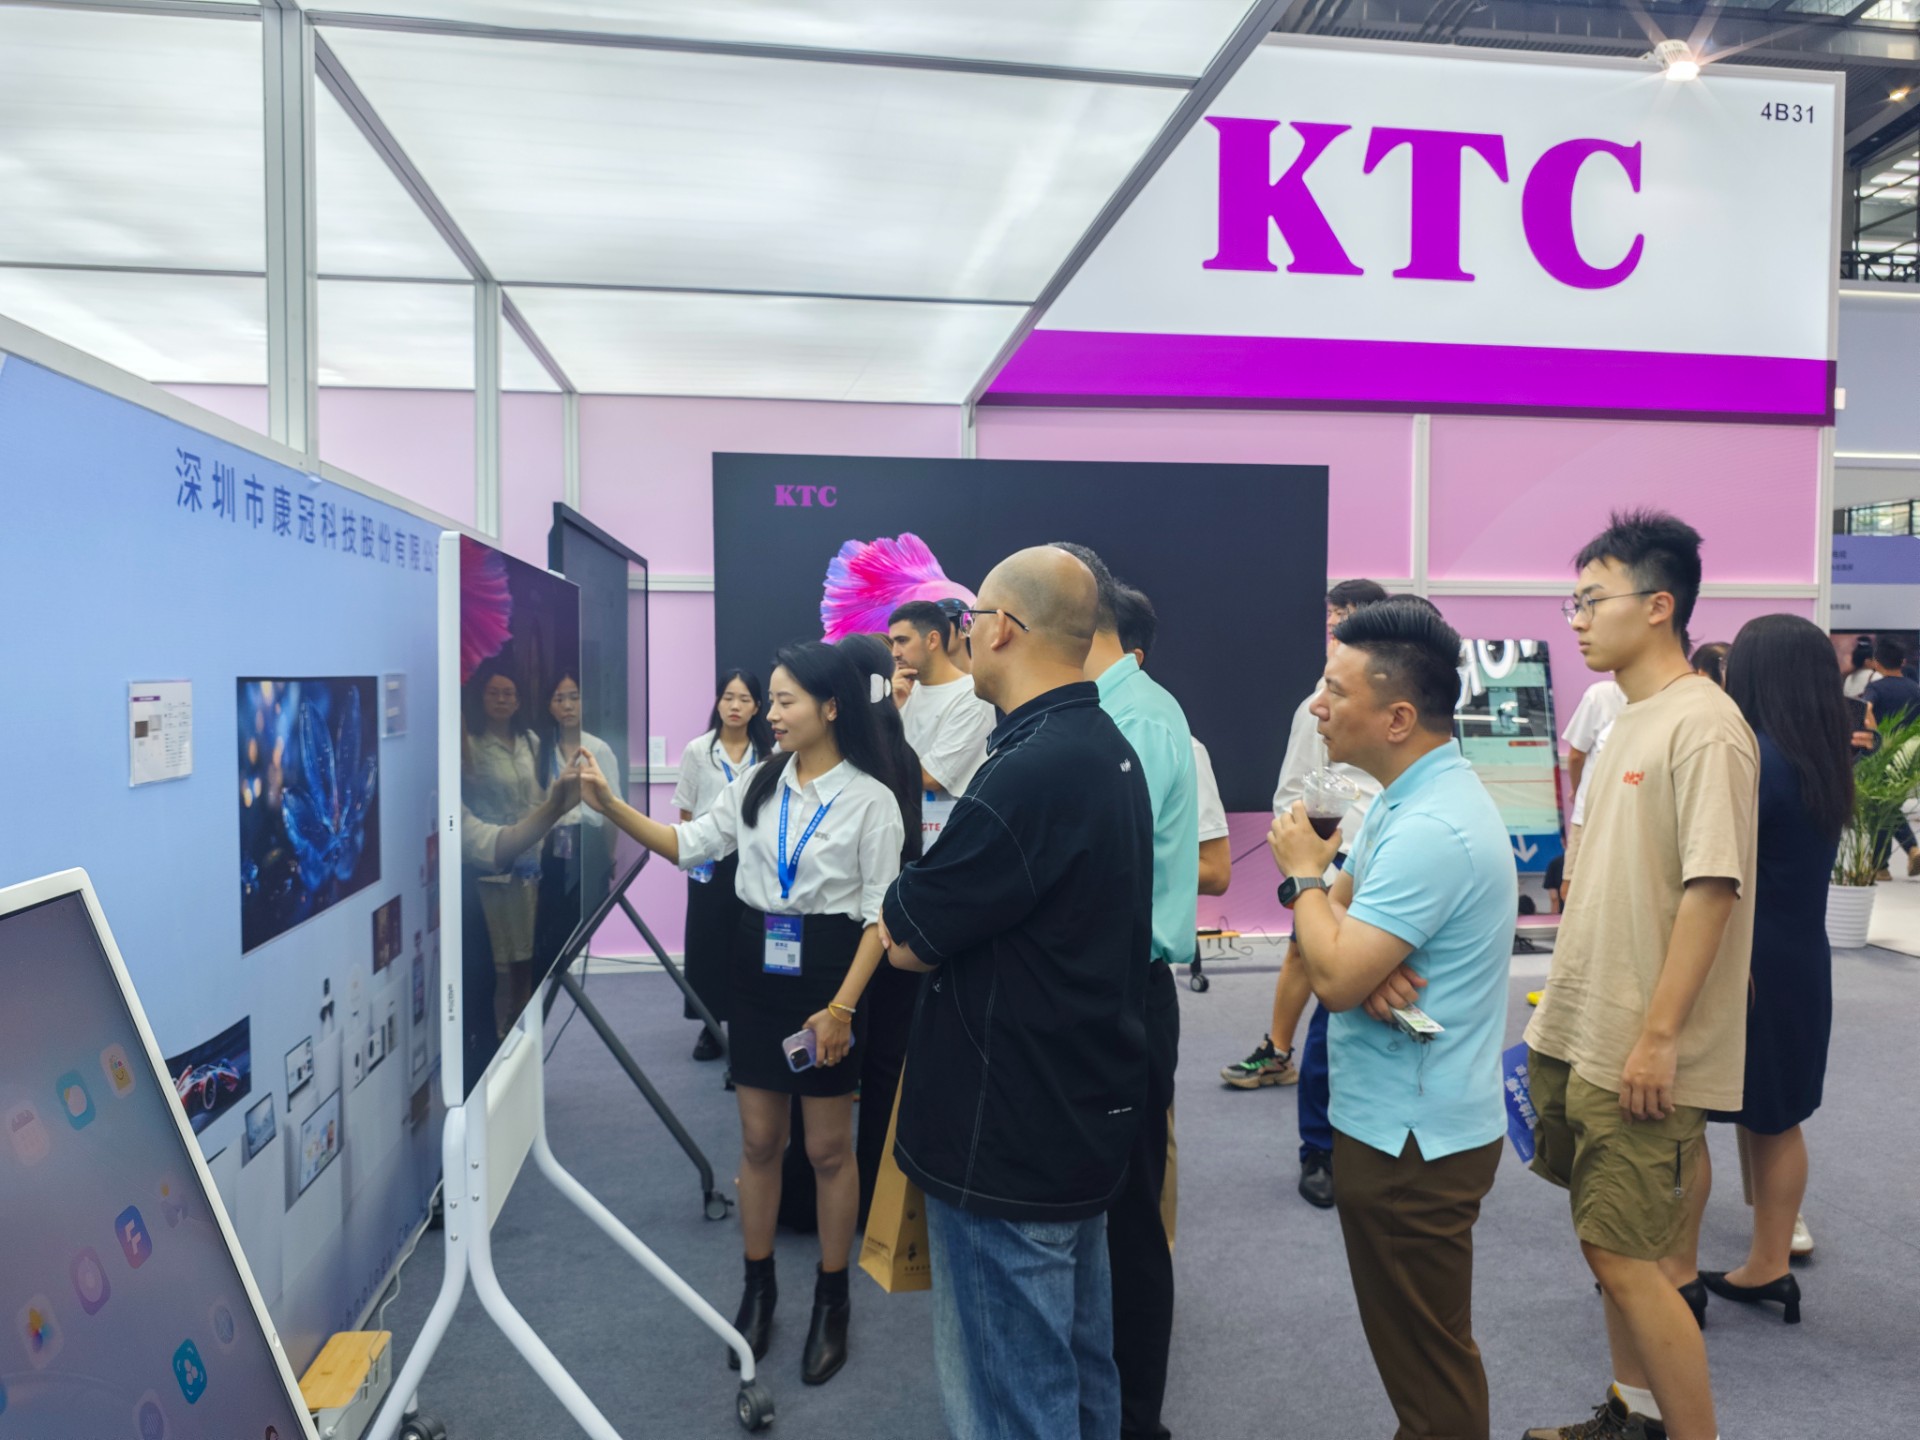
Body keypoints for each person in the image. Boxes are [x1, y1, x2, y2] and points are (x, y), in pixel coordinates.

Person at [575, 642, 907, 1388]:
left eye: (787, 701)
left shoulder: (871, 801)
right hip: (757, 970)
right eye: (772, 700)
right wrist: (611, 806)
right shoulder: (759, 784)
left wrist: (842, 1009)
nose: (772, 714)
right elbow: (689, 844)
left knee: (827, 1150)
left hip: (831, 980)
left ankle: (832, 1299)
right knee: (759, 1142)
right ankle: (759, 1290)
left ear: (831, 708)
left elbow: (878, 918)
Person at [878, 545, 1152, 1440]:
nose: (961, 635)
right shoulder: (1102, 747)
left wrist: (906, 900)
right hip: (1071, 1107)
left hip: (1008, 1129)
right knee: (1078, 1369)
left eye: (969, 619)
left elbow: (907, 937)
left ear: (1001, 628)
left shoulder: (1028, 772)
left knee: (1014, 1397)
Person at [1524, 510, 1757, 1440]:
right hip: (1589, 1026)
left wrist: (1659, 1038)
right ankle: (1635, 1416)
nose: (1577, 619)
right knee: (1608, 1249)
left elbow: (1713, 890)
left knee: (1630, 1260)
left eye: (1593, 600)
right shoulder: (1628, 718)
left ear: (1659, 606)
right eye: (1573, 602)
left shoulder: (1705, 726)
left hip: (1642, 1046)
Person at [1270, 597, 1517, 1440]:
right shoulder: (1402, 801)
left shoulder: (1431, 826)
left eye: (1336, 690)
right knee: (1418, 1353)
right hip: (1398, 1120)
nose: (1317, 706)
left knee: (1429, 1368)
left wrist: (1304, 878)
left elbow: (1333, 967)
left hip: (1415, 1138)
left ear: (1399, 717)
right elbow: (1341, 943)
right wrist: (1345, 950)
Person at [1654, 614, 1851, 1329]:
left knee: (1689, 1116)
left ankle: (1675, 1275)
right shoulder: (1819, 760)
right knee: (1778, 1119)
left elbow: (1711, 876)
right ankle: (1770, 1265)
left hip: (1741, 965)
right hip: (1801, 959)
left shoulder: (1752, 760)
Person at [1052, 547, 1197, 1440]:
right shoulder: (1116, 708)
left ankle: (1137, 1420)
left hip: (1120, 990)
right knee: (1105, 1208)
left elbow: (1090, 874)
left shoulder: (1130, 719)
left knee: (1128, 1217)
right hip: (1108, 985)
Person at [1226, 580, 1388, 1213]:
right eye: (1334, 617)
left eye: (1351, 616)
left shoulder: (1405, 704)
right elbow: (1295, 789)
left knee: (1379, 1000)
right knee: (1329, 995)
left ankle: (1364, 1137)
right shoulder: (1319, 704)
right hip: (1338, 862)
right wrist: (1311, 865)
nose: (1338, 627)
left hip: (1394, 863)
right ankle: (1317, 1144)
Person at [830, 633, 925, 1229]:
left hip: (850, 936)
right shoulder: (901, 750)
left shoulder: (848, 763)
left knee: (829, 1072)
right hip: (898, 933)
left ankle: (818, 1194)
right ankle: (875, 1203)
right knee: (886, 1068)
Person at [672, 670, 775, 1061]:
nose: (735, 706)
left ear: (757, 707)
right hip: (710, 864)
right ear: (717, 702)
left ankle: (749, 1023)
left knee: (748, 942)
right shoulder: (698, 750)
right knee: (707, 944)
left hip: (755, 860)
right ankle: (710, 1026)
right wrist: (693, 858)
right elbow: (686, 810)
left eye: (744, 699)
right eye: (728, 697)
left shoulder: (770, 754)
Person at [1112, 584, 1232, 901]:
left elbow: (1216, 870)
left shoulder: (1180, 746)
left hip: (1152, 930)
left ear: (1132, 659)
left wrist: (1111, 867)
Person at [532, 672, 620, 984]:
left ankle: (561, 976)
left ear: (584, 702)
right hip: (553, 845)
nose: (568, 705)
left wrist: (610, 856)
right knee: (549, 923)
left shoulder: (598, 749)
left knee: (579, 921)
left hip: (588, 841)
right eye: (559, 699)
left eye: (574, 697)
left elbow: (612, 810)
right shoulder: (541, 749)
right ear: (550, 705)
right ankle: (552, 979)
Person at [888, 599, 997, 803]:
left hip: (944, 822)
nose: (895, 652)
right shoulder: (900, 692)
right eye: (893, 642)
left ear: (932, 640)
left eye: (902, 641)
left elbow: (931, 778)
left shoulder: (971, 696)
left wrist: (876, 759)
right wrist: (889, 709)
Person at [1859, 637, 1920, 874]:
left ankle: (1884, 864)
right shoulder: (1914, 688)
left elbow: (1866, 708)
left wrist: (1876, 736)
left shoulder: (1876, 688)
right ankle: (1894, 859)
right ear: (1902, 662)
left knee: (1881, 805)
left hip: (1882, 756)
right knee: (1888, 804)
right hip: (1908, 756)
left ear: (1876, 662)